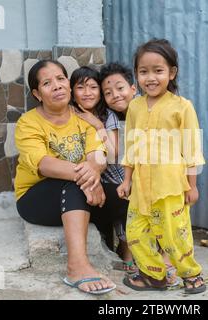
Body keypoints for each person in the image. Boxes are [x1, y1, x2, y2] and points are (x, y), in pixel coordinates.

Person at [14, 59, 116, 295]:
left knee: (124, 194)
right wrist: (88, 178)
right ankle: (76, 267)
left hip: (81, 190)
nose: (57, 86)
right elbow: (44, 164)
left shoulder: (83, 116)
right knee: (72, 185)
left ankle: (145, 258)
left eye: (61, 79)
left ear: (69, 86)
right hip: (35, 200)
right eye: (48, 83)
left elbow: (97, 155)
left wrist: (94, 174)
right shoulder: (28, 122)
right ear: (37, 94)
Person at [117, 39, 206, 294]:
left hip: (169, 186)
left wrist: (192, 185)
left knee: (174, 235)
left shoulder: (182, 106)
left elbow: (191, 149)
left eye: (158, 70)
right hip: (140, 188)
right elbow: (130, 146)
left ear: (172, 73)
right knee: (135, 233)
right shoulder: (134, 106)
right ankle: (153, 276)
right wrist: (126, 180)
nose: (150, 78)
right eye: (143, 71)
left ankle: (192, 275)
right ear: (136, 74)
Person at [100, 62, 179, 285]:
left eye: (120, 88)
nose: (115, 95)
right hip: (125, 177)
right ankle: (128, 252)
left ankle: (165, 257)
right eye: (108, 92)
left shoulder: (152, 110)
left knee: (163, 210)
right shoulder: (111, 118)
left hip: (157, 175)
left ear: (133, 88)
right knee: (126, 203)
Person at [69, 65, 138, 273]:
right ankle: (108, 250)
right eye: (81, 88)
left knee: (122, 200)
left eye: (93, 87)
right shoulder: (69, 114)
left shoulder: (108, 115)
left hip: (114, 175)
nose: (88, 93)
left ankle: (127, 252)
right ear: (72, 92)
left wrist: (97, 126)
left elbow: (114, 153)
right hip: (85, 178)